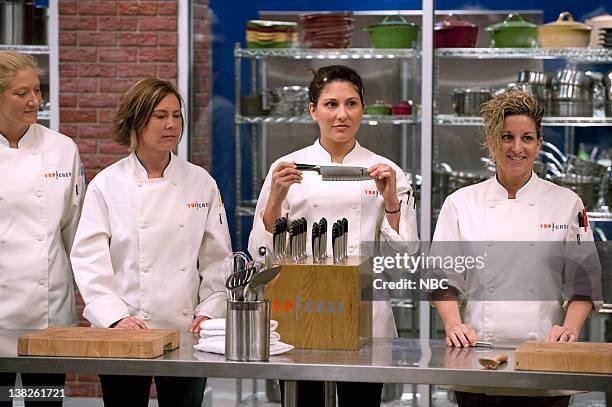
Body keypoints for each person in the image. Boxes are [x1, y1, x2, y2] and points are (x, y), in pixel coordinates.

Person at [248, 65, 419, 406]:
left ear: (363, 109)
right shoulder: (287, 168)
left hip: (365, 311)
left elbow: (406, 258)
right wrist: (276, 200)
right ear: (313, 110)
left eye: (351, 104)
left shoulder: (387, 172)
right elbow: (260, 255)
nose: (342, 114)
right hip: (302, 308)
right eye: (331, 104)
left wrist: (389, 201)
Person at [431, 89, 602, 406]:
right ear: (491, 142)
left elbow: (584, 281)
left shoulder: (566, 203)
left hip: (544, 358)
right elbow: (442, 278)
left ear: (539, 143)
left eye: (527, 138)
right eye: (507, 137)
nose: (516, 147)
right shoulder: (460, 203)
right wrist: (454, 324)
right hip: (477, 355)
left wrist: (569, 329)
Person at [70, 78, 232, 407]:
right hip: (128, 329)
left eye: (176, 115)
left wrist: (209, 312)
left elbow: (217, 259)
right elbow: (90, 260)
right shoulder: (107, 184)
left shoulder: (201, 182)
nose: (171, 124)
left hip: (187, 329)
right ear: (135, 120)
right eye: (159, 116)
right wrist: (115, 317)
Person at [0, 50, 84, 407]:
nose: (34, 100)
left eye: (37, 90)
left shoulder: (62, 149)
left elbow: (76, 231)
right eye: (22, 93)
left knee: (43, 400)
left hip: (48, 315)